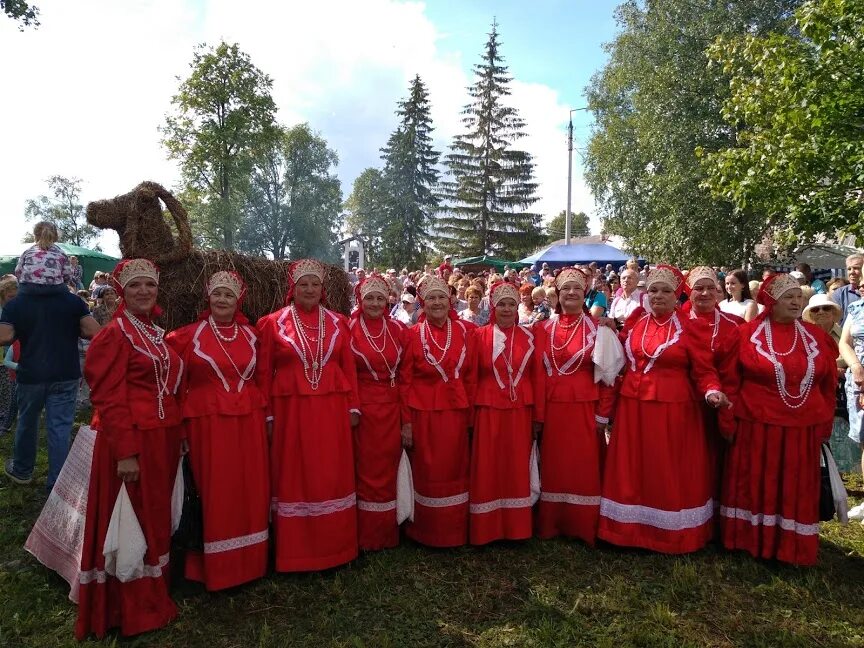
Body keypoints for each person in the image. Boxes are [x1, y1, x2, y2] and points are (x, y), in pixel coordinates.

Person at [75, 258, 185, 639]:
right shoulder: (116, 334)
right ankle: (130, 607)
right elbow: (107, 394)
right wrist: (124, 451)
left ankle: (154, 593)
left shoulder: (155, 333)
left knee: (153, 515)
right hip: (132, 439)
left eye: (149, 286)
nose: (143, 292)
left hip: (163, 439)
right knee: (132, 516)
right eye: (135, 286)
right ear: (122, 291)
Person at [598, 265, 730, 554]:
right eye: (653, 290)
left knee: (664, 468)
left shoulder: (691, 328)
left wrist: (711, 390)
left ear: (677, 296)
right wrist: (609, 328)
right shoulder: (635, 322)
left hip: (673, 409)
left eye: (666, 291)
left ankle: (667, 534)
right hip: (633, 407)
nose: (658, 296)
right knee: (632, 467)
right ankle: (626, 530)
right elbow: (622, 354)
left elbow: (704, 370)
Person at [719, 273, 837, 566]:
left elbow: (827, 384)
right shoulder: (746, 336)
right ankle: (749, 540)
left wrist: (824, 423)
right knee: (756, 482)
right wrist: (728, 420)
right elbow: (730, 382)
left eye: (799, 296)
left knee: (793, 485)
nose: (797, 302)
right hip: (756, 425)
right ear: (771, 302)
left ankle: (789, 545)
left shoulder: (817, 338)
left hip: (801, 429)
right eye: (789, 297)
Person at [165, 271, 269, 590]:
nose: (222, 300)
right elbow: (170, 382)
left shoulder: (253, 335)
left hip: (249, 421)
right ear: (208, 298)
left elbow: (263, 377)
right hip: (206, 423)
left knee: (249, 488)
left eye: (229, 295)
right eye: (217, 294)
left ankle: (250, 563)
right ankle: (213, 567)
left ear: (238, 300)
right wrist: (179, 427)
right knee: (215, 489)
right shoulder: (185, 336)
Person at [257, 259, 360, 572]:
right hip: (291, 412)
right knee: (295, 472)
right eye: (304, 284)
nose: (310, 289)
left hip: (331, 409)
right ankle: (296, 552)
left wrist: (353, 406)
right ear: (293, 288)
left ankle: (336, 548)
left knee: (330, 472)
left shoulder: (339, 322)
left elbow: (347, 367)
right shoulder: (272, 323)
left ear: (322, 288)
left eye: (315, 284)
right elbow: (263, 373)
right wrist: (269, 415)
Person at [534, 268, 620, 545]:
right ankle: (552, 523)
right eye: (565, 289)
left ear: (586, 295)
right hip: (552, 408)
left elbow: (608, 379)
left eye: (577, 289)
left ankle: (582, 525)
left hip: (584, 408)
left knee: (582, 467)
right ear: (556, 295)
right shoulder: (541, 329)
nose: (571, 293)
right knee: (554, 466)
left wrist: (602, 415)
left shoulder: (599, 330)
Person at [0, 258, 100, 488]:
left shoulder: (17, 303)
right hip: (66, 373)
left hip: (31, 374)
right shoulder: (73, 301)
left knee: (27, 422)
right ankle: (58, 483)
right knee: (60, 428)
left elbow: (4, 337)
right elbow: (93, 331)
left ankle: (23, 470)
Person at [399, 275, 475, 547]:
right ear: (422, 302)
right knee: (428, 470)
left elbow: (472, 377)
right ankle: (426, 531)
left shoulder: (467, 331)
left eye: (442, 297)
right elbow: (405, 381)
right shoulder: (412, 335)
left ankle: (453, 530)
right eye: (431, 298)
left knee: (455, 468)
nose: (437, 302)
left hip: (456, 412)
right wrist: (406, 422)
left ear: (451, 300)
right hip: (424, 413)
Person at [468, 282, 540, 545]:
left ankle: (516, 526)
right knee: (488, 464)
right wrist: (470, 416)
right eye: (502, 305)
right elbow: (472, 377)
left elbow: (538, 377)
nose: (507, 309)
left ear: (517, 307)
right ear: (493, 307)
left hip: (520, 409)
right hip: (488, 408)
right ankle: (486, 528)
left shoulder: (531, 336)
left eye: (512, 304)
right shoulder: (479, 336)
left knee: (515, 465)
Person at [348, 274, 406, 551]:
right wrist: (353, 407)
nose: (374, 303)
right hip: (366, 409)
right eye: (369, 298)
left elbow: (406, 373)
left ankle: (388, 532)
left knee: (389, 466)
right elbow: (346, 374)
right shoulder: (348, 330)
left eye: (379, 298)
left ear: (387, 301)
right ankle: (368, 536)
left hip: (393, 406)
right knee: (367, 469)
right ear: (360, 299)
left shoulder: (397, 330)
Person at [683, 267, 744, 507]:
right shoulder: (677, 321)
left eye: (711, 288)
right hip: (684, 401)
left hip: (720, 401)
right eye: (699, 288)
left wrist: (725, 406)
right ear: (689, 292)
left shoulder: (734, 325)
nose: (706, 293)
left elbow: (734, 371)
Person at [839, 272, 864, 482]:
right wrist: (855, 366)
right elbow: (844, 343)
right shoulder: (856, 309)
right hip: (860, 382)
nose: (861, 284)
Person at [14, 221, 73, 295]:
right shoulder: (61, 253)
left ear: (35, 235)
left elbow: (18, 271)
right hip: (54, 290)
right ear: (55, 236)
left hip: (28, 290)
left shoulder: (27, 252)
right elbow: (67, 275)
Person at [832, 253, 863, 325]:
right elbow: (835, 323)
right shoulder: (839, 294)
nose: (852, 272)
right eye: (849, 269)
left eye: (856, 268)